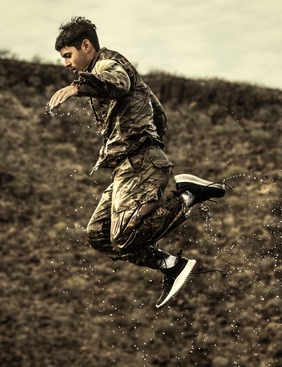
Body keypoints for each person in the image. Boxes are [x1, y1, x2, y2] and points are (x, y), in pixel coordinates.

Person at [47, 17, 226, 308]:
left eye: (68, 55)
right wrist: (150, 136)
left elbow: (118, 83)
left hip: (139, 161)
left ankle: (186, 195)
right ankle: (171, 266)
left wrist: (78, 88)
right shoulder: (105, 70)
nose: (65, 63)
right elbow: (156, 111)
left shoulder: (107, 65)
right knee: (99, 235)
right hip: (127, 165)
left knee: (124, 237)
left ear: (86, 45)